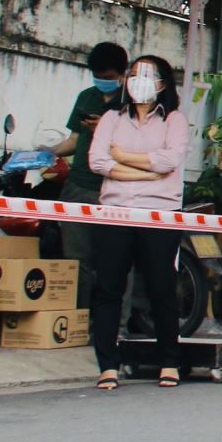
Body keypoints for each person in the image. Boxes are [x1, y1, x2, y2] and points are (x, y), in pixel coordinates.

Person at [86, 55, 189, 391]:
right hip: (116, 211)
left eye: (147, 75)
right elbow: (97, 161)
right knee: (108, 288)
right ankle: (108, 366)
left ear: (163, 83)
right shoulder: (111, 118)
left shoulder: (173, 120)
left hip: (159, 214)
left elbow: (171, 160)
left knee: (161, 287)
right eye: (134, 74)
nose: (138, 80)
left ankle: (169, 362)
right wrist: (147, 171)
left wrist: (123, 157)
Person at [50, 42, 129, 309]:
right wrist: (47, 152)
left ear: (122, 73)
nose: (102, 82)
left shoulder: (132, 104)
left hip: (114, 189)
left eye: (107, 78)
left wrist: (104, 129)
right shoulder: (86, 97)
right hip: (78, 185)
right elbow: (73, 139)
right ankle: (77, 319)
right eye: (97, 77)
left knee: (114, 260)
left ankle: (116, 326)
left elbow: (136, 149)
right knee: (75, 260)